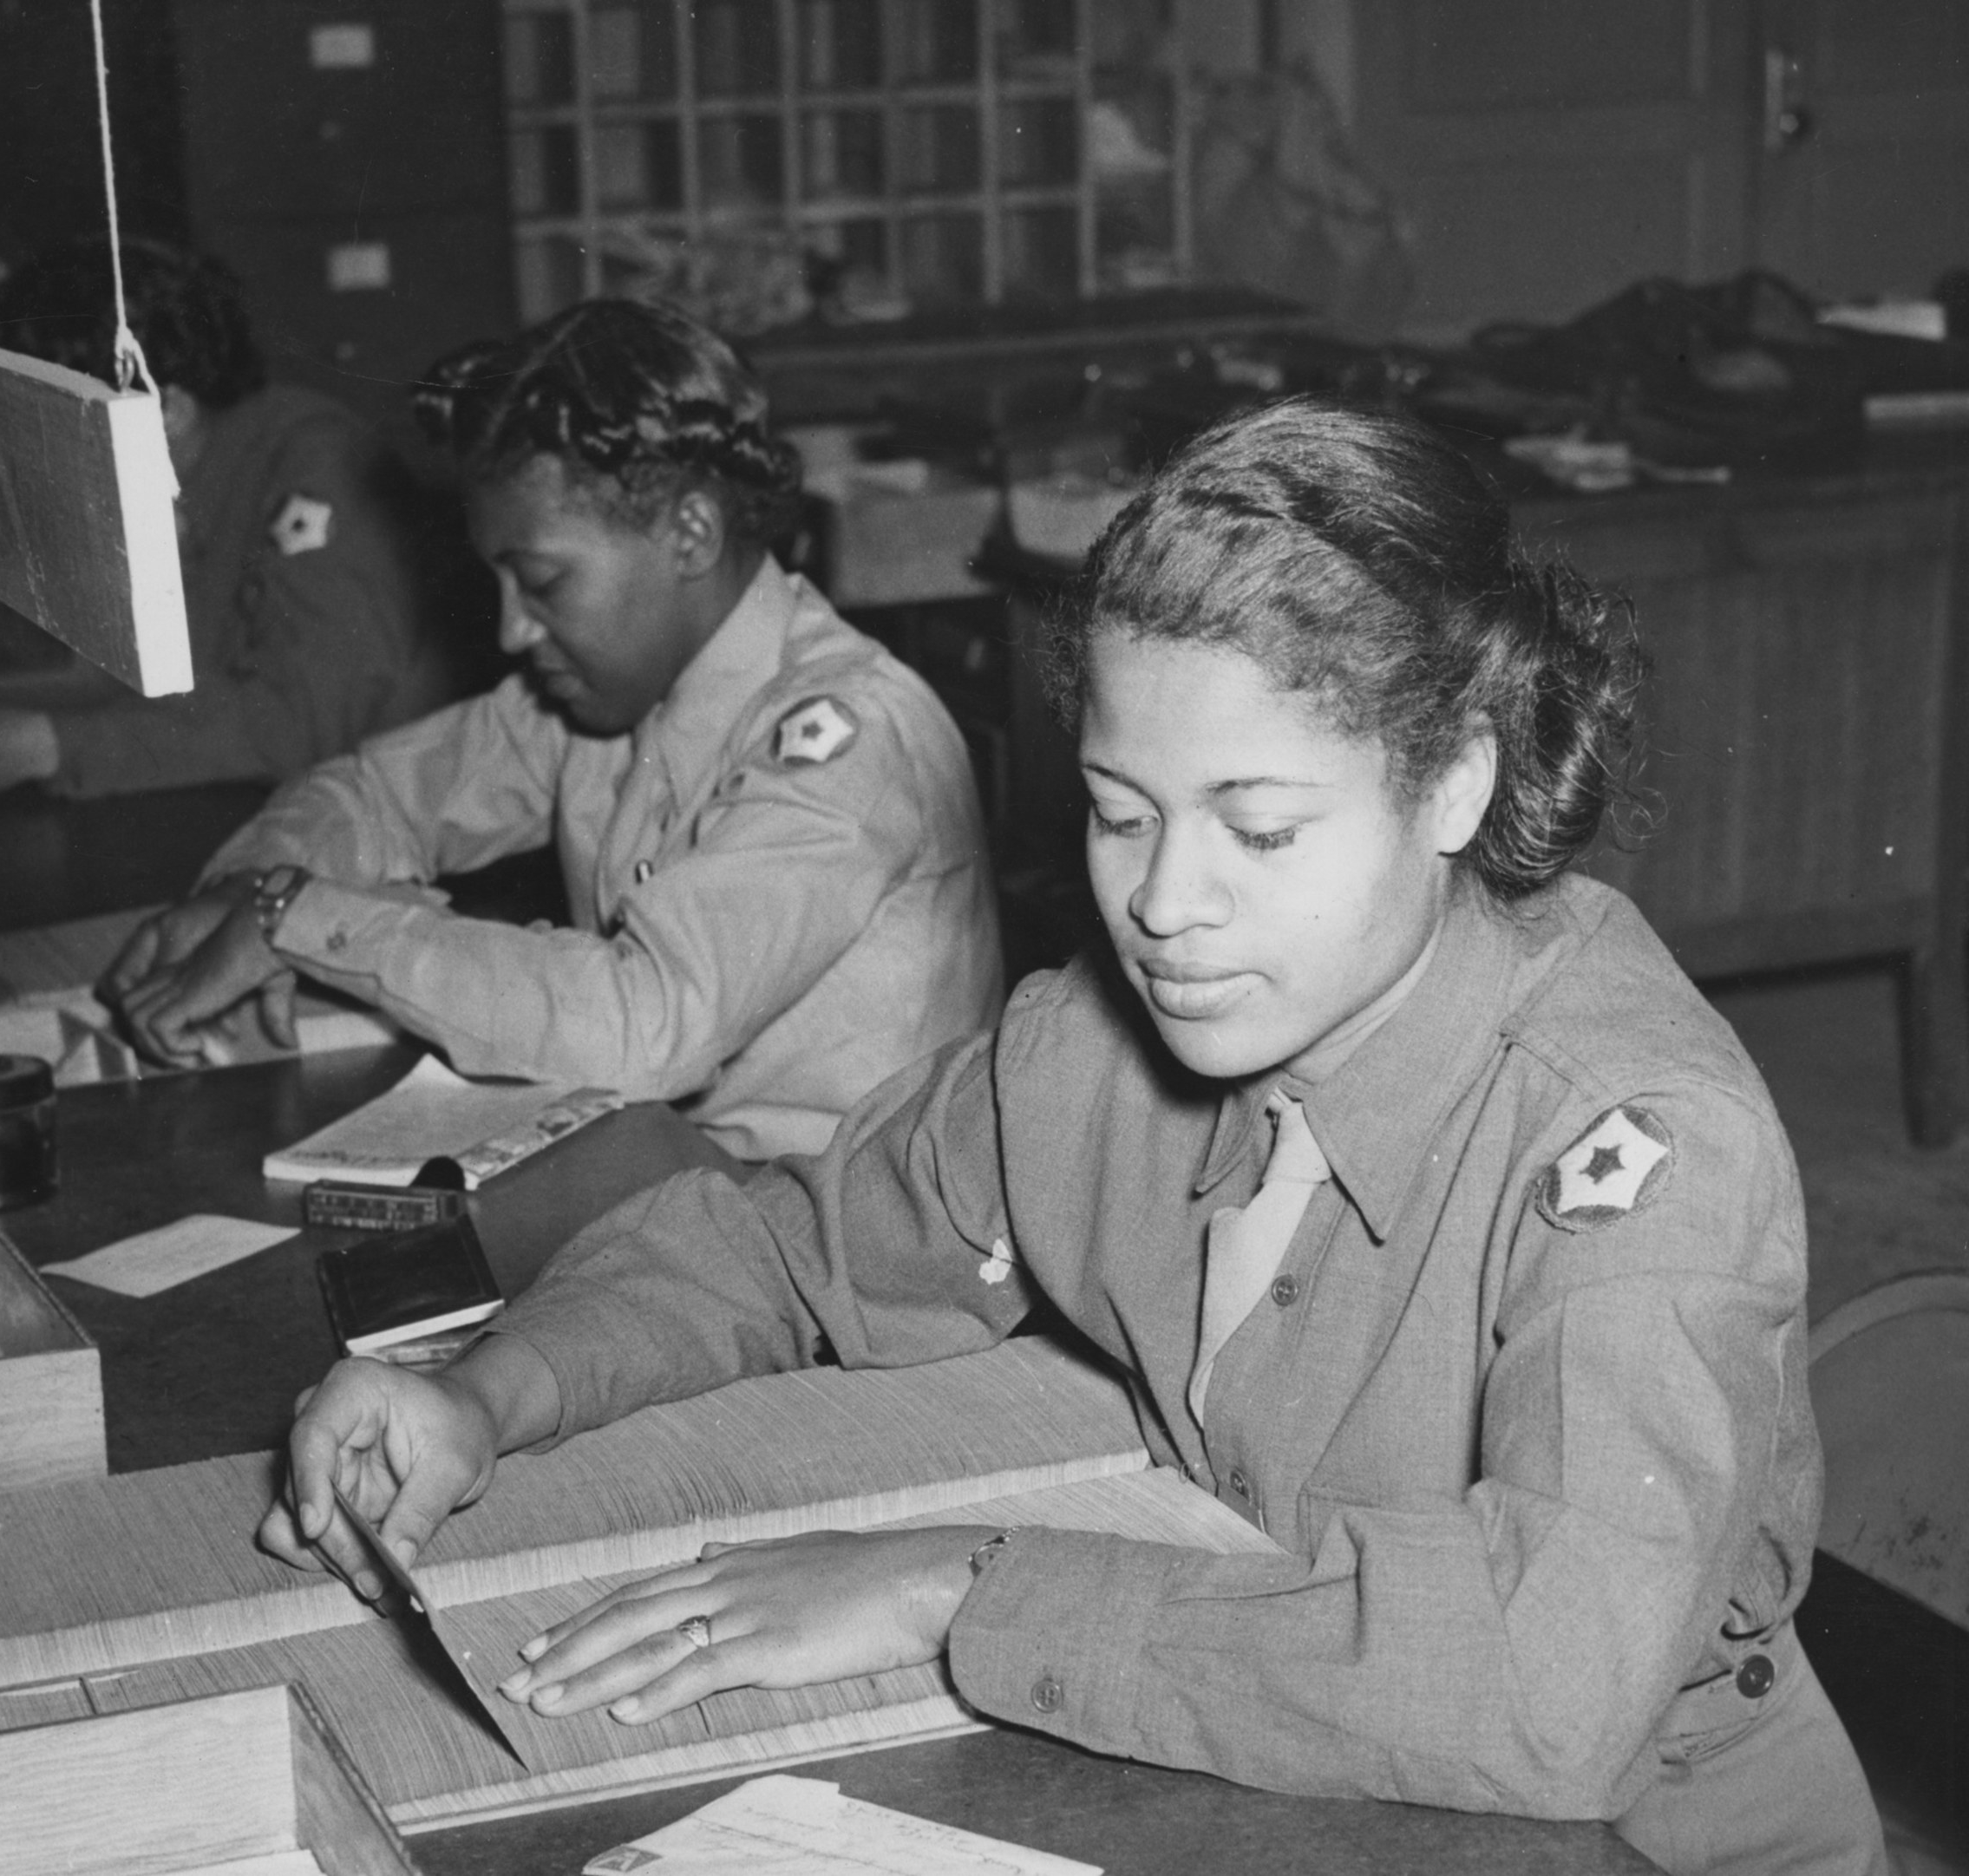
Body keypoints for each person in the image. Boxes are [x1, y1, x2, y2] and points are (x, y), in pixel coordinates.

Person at [259, 400, 1887, 1874]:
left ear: (1455, 782)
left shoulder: (1638, 1139)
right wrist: (484, 1390)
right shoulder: (1100, 1040)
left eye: (1258, 825)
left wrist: (960, 1584)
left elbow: (1548, 1685)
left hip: (1648, 1835)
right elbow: (783, 1242)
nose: (1165, 905)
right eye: (1120, 814)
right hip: (1302, 1776)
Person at [102, 298, 1003, 1161]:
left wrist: (298, 916)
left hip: (861, 1261)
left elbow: (645, 1024)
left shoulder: (849, 741)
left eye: (541, 582)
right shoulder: (604, 696)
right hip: (688, 1195)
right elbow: (376, 793)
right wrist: (250, 891)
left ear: (690, 533)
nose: (511, 632)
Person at [0, 237, 455, 804]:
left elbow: (300, 719)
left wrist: (47, 746)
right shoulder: (176, 476)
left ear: (168, 411)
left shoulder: (315, 466)